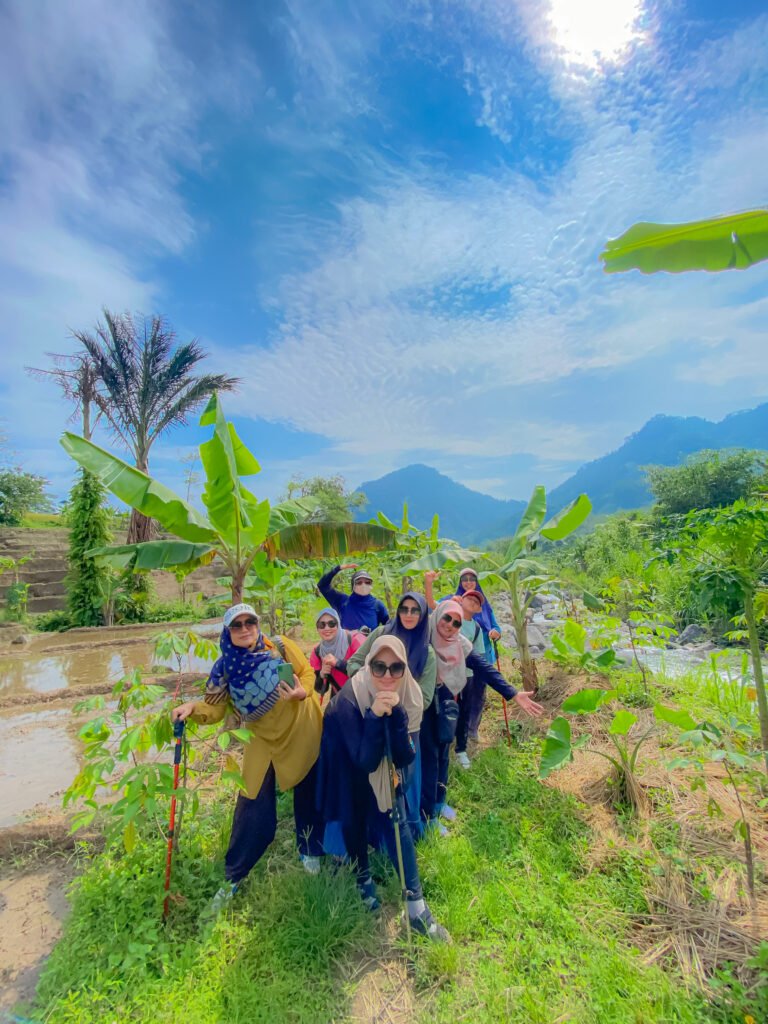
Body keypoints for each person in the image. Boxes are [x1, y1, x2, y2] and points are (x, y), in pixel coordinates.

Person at [171, 604, 324, 912]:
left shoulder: (279, 646)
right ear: (227, 632)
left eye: (249, 622)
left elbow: (307, 672)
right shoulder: (225, 669)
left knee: (308, 789)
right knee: (251, 799)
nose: (244, 629)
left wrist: (302, 692)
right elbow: (215, 710)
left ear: (257, 623)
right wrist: (192, 708)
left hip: (300, 725)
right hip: (261, 736)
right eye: (236, 625)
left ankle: (310, 848)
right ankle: (234, 875)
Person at [316, 635, 449, 941]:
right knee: (354, 817)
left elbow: (406, 755)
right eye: (379, 667)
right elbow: (363, 760)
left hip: (385, 768)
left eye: (396, 668)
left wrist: (398, 716)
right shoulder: (347, 702)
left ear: (405, 669)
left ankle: (416, 909)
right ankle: (363, 879)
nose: (387, 676)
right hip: (347, 761)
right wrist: (375, 716)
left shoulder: (409, 695)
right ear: (368, 665)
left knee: (397, 823)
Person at [420, 600, 543, 831]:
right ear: (438, 616)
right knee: (429, 758)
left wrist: (512, 693)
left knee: (443, 754)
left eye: (456, 622)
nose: (450, 625)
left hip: (446, 702)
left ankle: (438, 802)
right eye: (447, 618)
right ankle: (427, 815)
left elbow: (484, 668)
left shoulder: (459, 643)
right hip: (423, 706)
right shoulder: (422, 636)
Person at [346, 592, 436, 839]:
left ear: (423, 615)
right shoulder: (380, 634)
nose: (409, 614)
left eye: (415, 610)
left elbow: (425, 697)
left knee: (405, 778)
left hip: (406, 726)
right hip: (370, 718)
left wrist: (399, 698)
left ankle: (408, 830)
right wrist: (370, 688)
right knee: (371, 773)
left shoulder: (426, 652)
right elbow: (354, 662)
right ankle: (375, 833)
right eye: (404, 609)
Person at [425, 568, 503, 743]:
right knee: (460, 695)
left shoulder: (484, 605)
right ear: (460, 582)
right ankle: (456, 729)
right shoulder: (453, 601)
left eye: (472, 579)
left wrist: (495, 632)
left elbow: (496, 626)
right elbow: (433, 606)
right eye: (464, 579)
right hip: (459, 659)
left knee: (478, 694)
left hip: (483, 656)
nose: (468, 582)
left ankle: (473, 729)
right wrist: (428, 583)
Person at [454, 590, 488, 769]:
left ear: (479, 609)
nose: (473, 602)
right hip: (445, 674)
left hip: (466, 675)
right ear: (462, 599)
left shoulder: (476, 628)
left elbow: (479, 654)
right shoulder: (450, 616)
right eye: (470, 598)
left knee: (464, 710)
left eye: (477, 602)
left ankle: (460, 748)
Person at [309, 607, 366, 701]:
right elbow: (318, 688)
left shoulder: (355, 640)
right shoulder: (317, 652)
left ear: (338, 624)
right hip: (339, 695)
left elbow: (367, 671)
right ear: (317, 628)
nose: (327, 628)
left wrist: (338, 663)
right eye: (321, 625)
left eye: (331, 624)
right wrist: (322, 674)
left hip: (362, 696)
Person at [317, 563, 389, 630]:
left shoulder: (377, 605)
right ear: (353, 585)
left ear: (371, 585)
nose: (363, 585)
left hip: (371, 640)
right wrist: (338, 568)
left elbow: (388, 627)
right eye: (359, 582)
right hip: (347, 640)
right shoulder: (343, 601)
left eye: (367, 582)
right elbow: (322, 585)